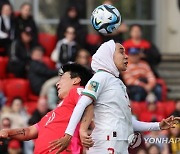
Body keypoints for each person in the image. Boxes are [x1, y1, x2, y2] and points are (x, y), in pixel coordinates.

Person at [49, 40, 180, 154]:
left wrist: (158, 126)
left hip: (119, 144)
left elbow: (128, 122)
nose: (126, 56)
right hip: (106, 143)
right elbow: (82, 103)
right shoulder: (101, 77)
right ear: (108, 56)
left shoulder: (118, 83)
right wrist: (69, 134)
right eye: (121, 52)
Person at [0, 63, 93, 154]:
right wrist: (8, 132)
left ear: (75, 80)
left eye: (62, 78)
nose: (57, 83)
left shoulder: (77, 91)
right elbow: (29, 132)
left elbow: (88, 103)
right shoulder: (51, 113)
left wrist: (83, 130)